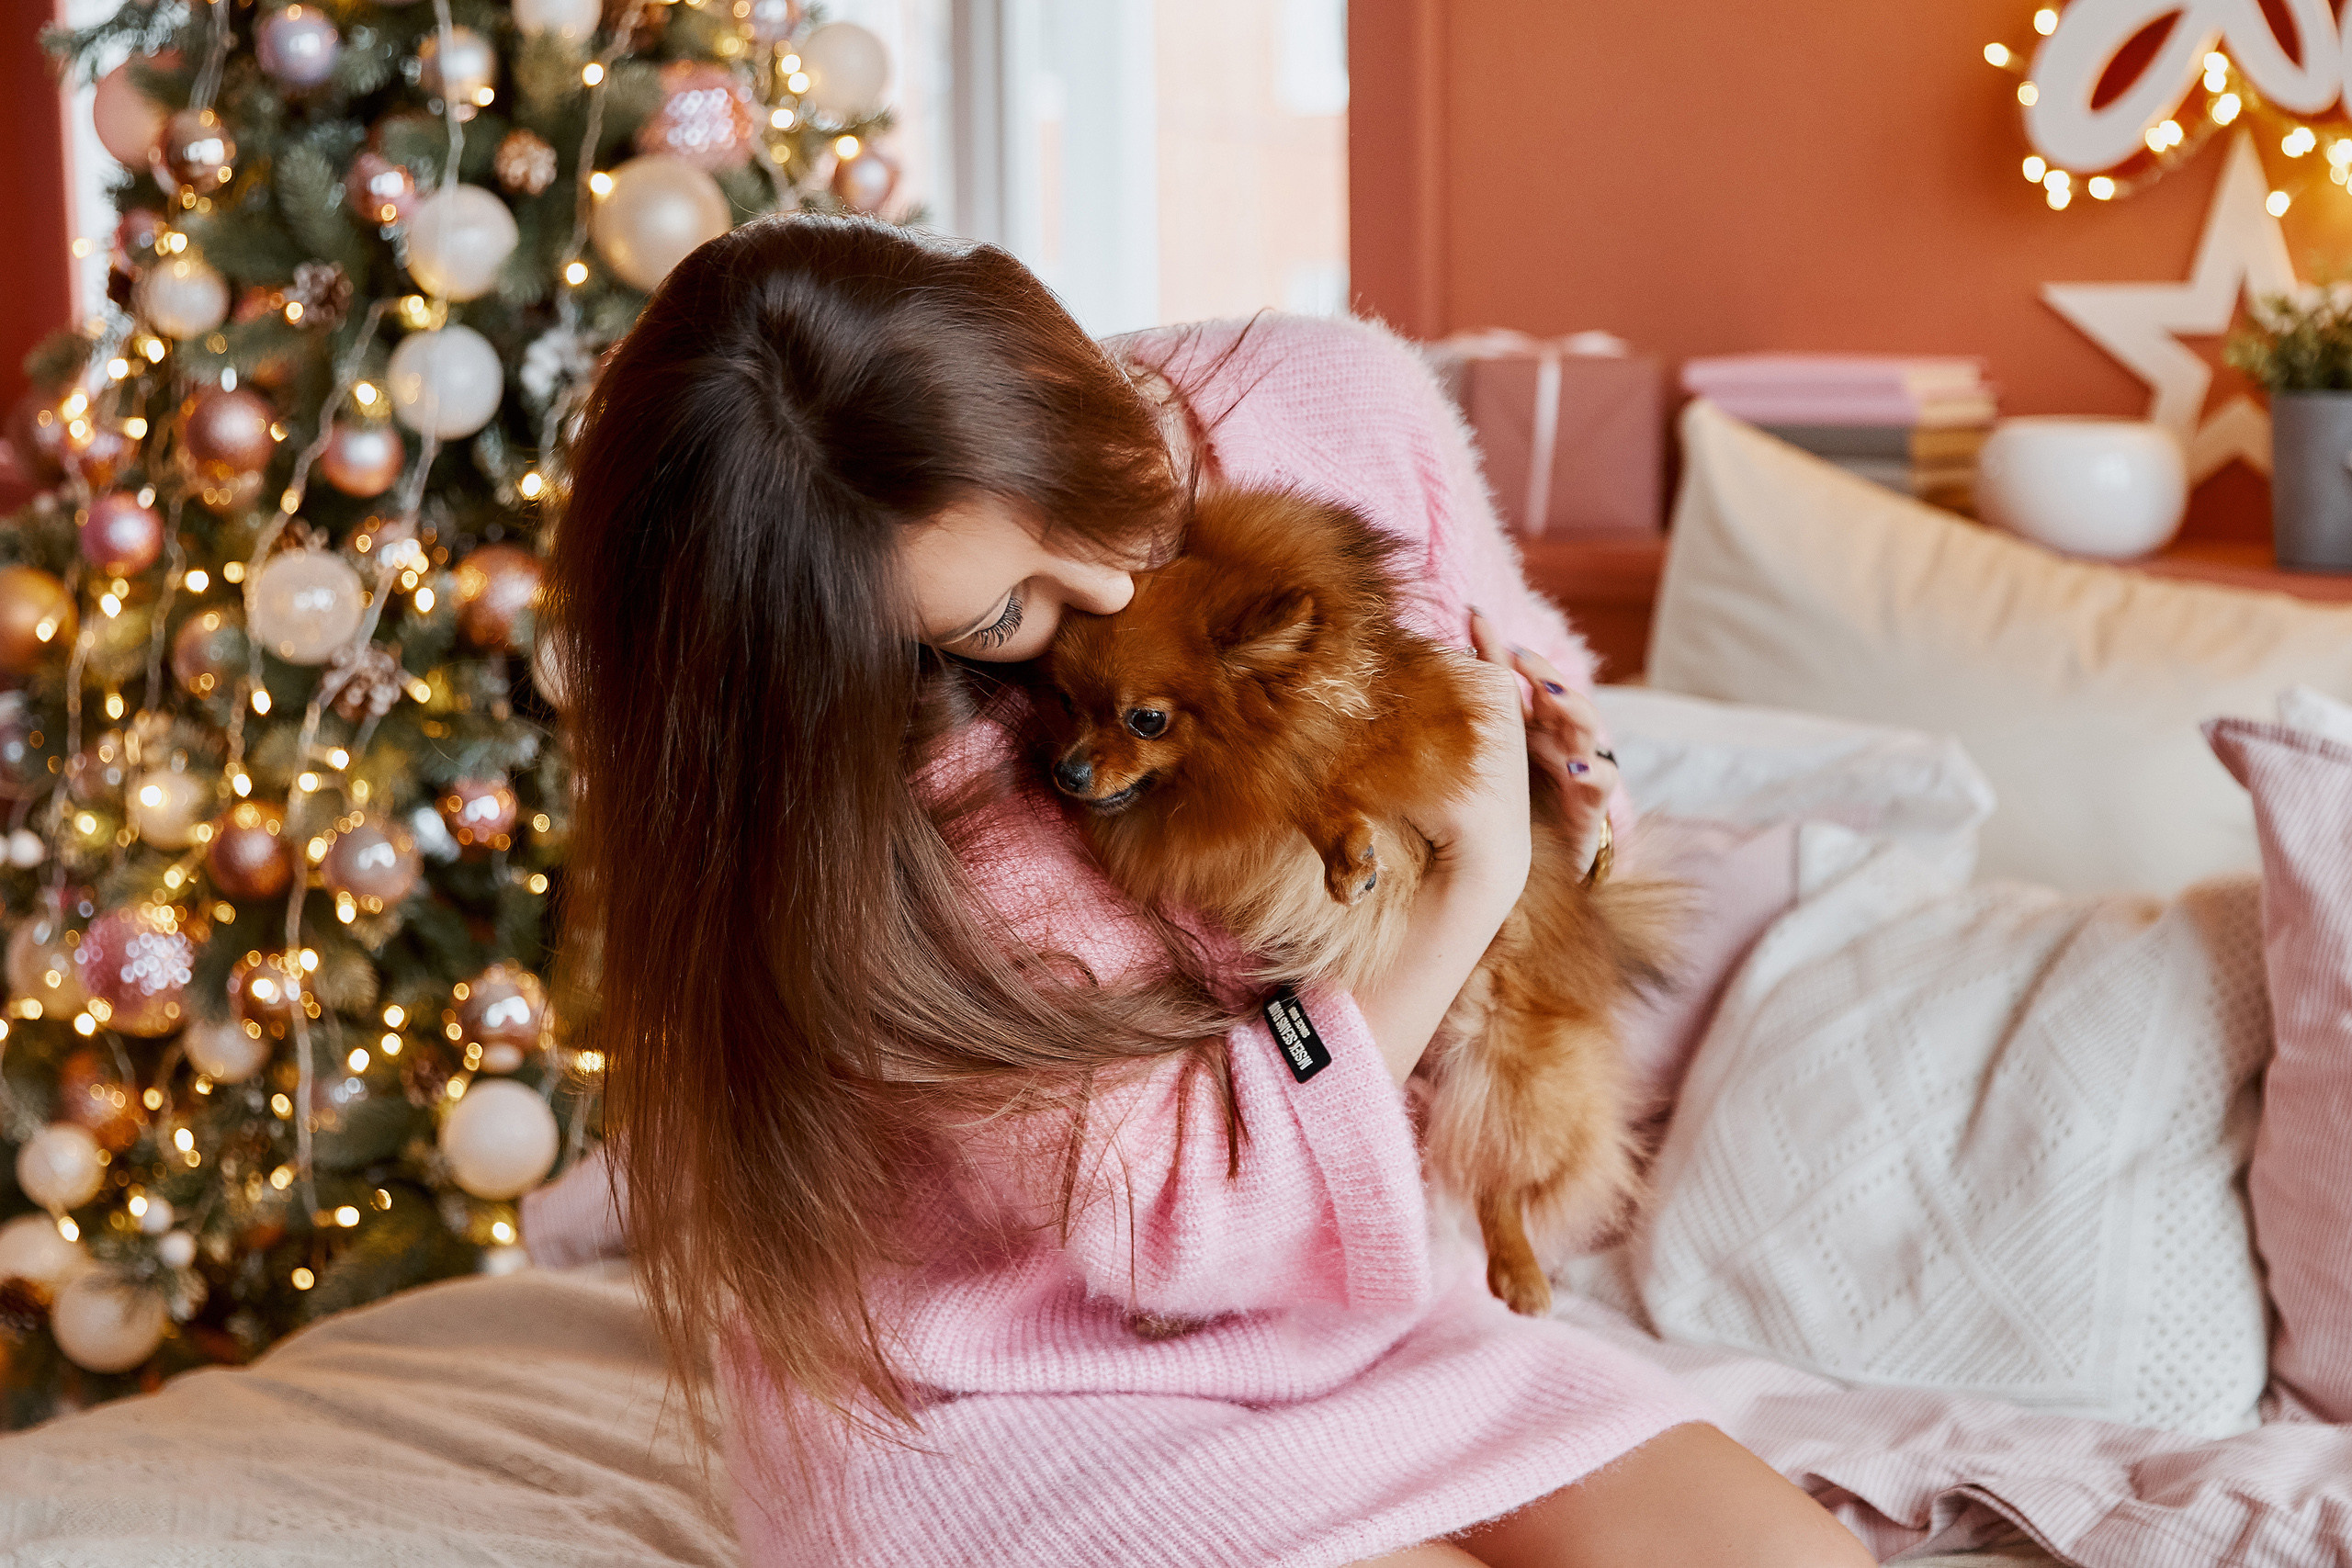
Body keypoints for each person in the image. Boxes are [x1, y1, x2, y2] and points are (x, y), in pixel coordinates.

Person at [539, 214, 1872, 1568]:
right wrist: (1473, 886)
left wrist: (1563, 789)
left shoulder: (1334, 405)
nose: (1117, 584)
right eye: (1008, 616)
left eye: (1092, 486)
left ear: (1040, 352)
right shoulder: (899, 787)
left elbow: (1524, 680)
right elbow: (1188, 1225)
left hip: (1375, 1308)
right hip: (1010, 1381)